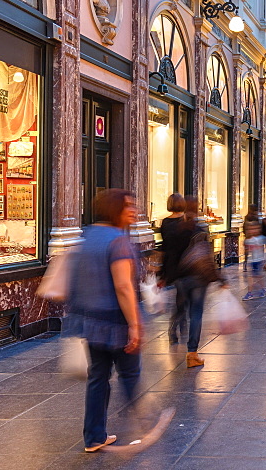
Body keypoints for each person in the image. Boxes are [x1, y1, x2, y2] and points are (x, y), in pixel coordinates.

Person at [66, 189, 142, 452]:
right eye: (128, 206)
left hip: (89, 320)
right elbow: (123, 286)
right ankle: (146, 423)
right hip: (115, 322)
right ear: (114, 209)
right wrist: (133, 324)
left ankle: (94, 437)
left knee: (98, 376)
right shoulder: (118, 240)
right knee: (130, 373)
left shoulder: (85, 235)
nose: (134, 210)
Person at [170, 197, 219, 368]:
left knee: (181, 308)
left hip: (181, 277)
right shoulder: (200, 229)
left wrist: (168, 277)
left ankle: (174, 331)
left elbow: (172, 255)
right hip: (198, 278)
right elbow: (208, 257)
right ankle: (192, 353)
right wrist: (219, 278)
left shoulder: (177, 229)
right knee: (196, 314)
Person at [158, 193, 190, 345]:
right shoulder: (187, 221)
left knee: (181, 296)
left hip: (171, 263)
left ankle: (182, 323)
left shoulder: (165, 222)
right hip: (185, 264)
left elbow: (165, 246)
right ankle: (173, 327)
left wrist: (162, 271)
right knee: (182, 298)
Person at [243, 204, 266, 300]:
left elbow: (263, 247)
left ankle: (262, 288)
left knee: (258, 275)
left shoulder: (260, 238)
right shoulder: (249, 240)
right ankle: (250, 292)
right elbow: (247, 248)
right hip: (252, 259)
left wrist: (265, 260)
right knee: (251, 276)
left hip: (259, 259)